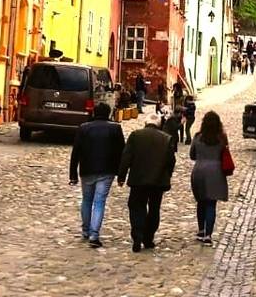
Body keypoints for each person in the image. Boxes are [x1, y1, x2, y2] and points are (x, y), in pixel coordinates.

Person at [68, 102, 124, 248]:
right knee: (99, 202)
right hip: (107, 170)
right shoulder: (115, 128)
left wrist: (73, 174)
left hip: (87, 169)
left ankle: (86, 230)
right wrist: (121, 174)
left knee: (87, 200)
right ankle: (94, 235)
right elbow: (121, 152)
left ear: (94, 113)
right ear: (108, 113)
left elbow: (76, 152)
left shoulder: (83, 128)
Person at [119, 117, 176, 252]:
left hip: (138, 180)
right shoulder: (166, 138)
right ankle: (148, 238)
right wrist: (167, 175)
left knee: (136, 207)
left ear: (146, 123)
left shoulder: (136, 135)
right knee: (154, 209)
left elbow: (126, 157)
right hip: (158, 180)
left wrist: (121, 176)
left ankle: (137, 237)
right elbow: (171, 161)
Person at [188, 111, 231, 244]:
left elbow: (192, 155)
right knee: (211, 204)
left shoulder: (198, 137)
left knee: (201, 202)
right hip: (216, 172)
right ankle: (208, 235)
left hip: (199, 171)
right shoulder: (222, 138)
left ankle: (201, 230)